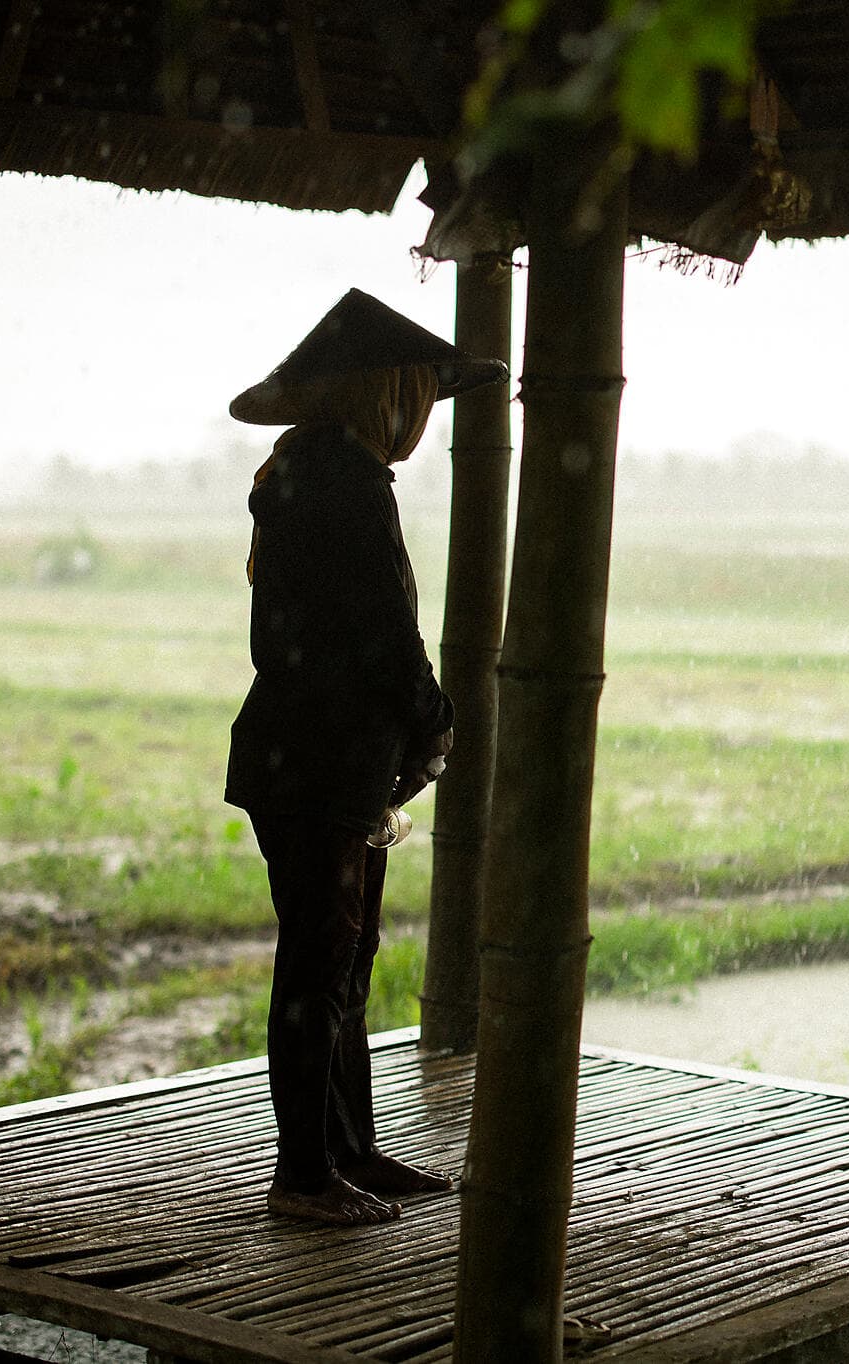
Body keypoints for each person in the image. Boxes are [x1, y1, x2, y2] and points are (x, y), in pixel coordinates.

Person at [223, 289, 506, 1226]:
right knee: (320, 967)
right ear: (381, 395)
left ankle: (347, 1152)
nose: (424, 413)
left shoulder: (303, 475)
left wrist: (412, 724)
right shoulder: (343, 487)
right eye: (418, 392)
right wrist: (435, 720)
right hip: (323, 764)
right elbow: (385, 634)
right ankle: (306, 1178)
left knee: (339, 962)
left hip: (311, 759)